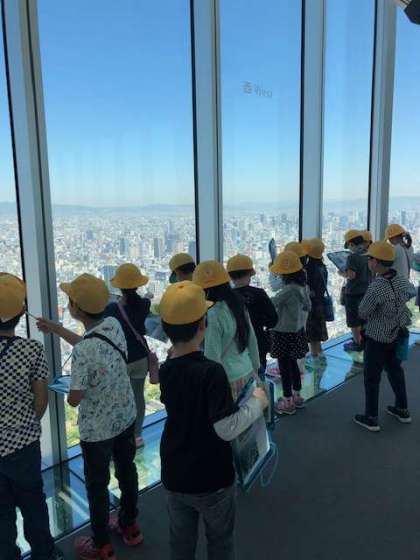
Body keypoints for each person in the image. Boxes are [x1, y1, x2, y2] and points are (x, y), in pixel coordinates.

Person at [158, 281, 268, 560]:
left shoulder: (167, 369)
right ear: (203, 325)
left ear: (165, 328)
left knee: (180, 542)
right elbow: (226, 428)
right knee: (220, 541)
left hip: (174, 469)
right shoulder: (212, 372)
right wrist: (257, 402)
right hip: (211, 474)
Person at [58, 274, 142, 560]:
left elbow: (75, 398)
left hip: (97, 431)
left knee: (97, 485)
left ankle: (101, 544)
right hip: (125, 416)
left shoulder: (83, 351)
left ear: (76, 309)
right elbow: (92, 344)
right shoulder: (113, 324)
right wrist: (57, 329)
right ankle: (130, 526)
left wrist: (67, 391)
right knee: (127, 471)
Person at [0, 273, 62, 560]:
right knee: (33, 504)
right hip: (23, 444)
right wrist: (26, 424)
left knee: (1, 516)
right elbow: (41, 399)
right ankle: (44, 554)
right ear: (22, 312)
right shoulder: (31, 349)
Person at [353, 242, 417, 432]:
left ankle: (371, 417)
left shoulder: (376, 286)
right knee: (395, 371)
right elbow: (412, 291)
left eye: (370, 258)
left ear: (377, 262)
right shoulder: (400, 279)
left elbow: (363, 312)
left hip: (377, 338)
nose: (368, 261)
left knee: (372, 378)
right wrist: (397, 304)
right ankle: (402, 409)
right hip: (396, 333)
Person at [192, 261, 260, 399]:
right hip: (247, 372)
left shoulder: (213, 314)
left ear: (205, 291)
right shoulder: (238, 304)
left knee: (231, 413)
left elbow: (212, 357)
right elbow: (252, 339)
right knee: (249, 411)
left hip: (228, 380)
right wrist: (256, 368)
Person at [104, 263, 151, 448]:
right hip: (141, 357)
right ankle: (137, 436)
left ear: (119, 287)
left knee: (120, 399)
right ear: (138, 284)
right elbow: (144, 303)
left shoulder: (112, 309)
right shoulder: (145, 304)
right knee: (138, 396)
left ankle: (121, 438)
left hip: (121, 359)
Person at [270, 251, 312, 415]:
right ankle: (297, 396)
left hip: (283, 332)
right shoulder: (303, 288)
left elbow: (271, 303)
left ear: (285, 274)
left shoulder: (288, 291)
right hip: (297, 331)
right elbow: (308, 306)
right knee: (293, 364)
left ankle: (287, 401)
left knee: (284, 366)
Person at [227, 254, 277, 375]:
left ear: (230, 276)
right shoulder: (259, 294)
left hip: (235, 346)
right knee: (259, 376)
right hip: (259, 341)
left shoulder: (227, 298)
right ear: (250, 274)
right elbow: (273, 320)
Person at [342, 230, 371, 353]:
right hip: (366, 291)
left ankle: (357, 343)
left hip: (353, 293)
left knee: (353, 321)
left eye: (348, 246)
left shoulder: (352, 257)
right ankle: (365, 341)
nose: (349, 249)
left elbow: (351, 275)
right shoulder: (369, 254)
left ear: (351, 244)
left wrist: (342, 273)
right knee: (364, 319)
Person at [305, 238, 329, 367]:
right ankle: (321, 356)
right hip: (320, 303)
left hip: (312, 305)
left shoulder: (309, 268)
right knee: (317, 334)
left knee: (313, 335)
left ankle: (315, 361)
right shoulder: (322, 267)